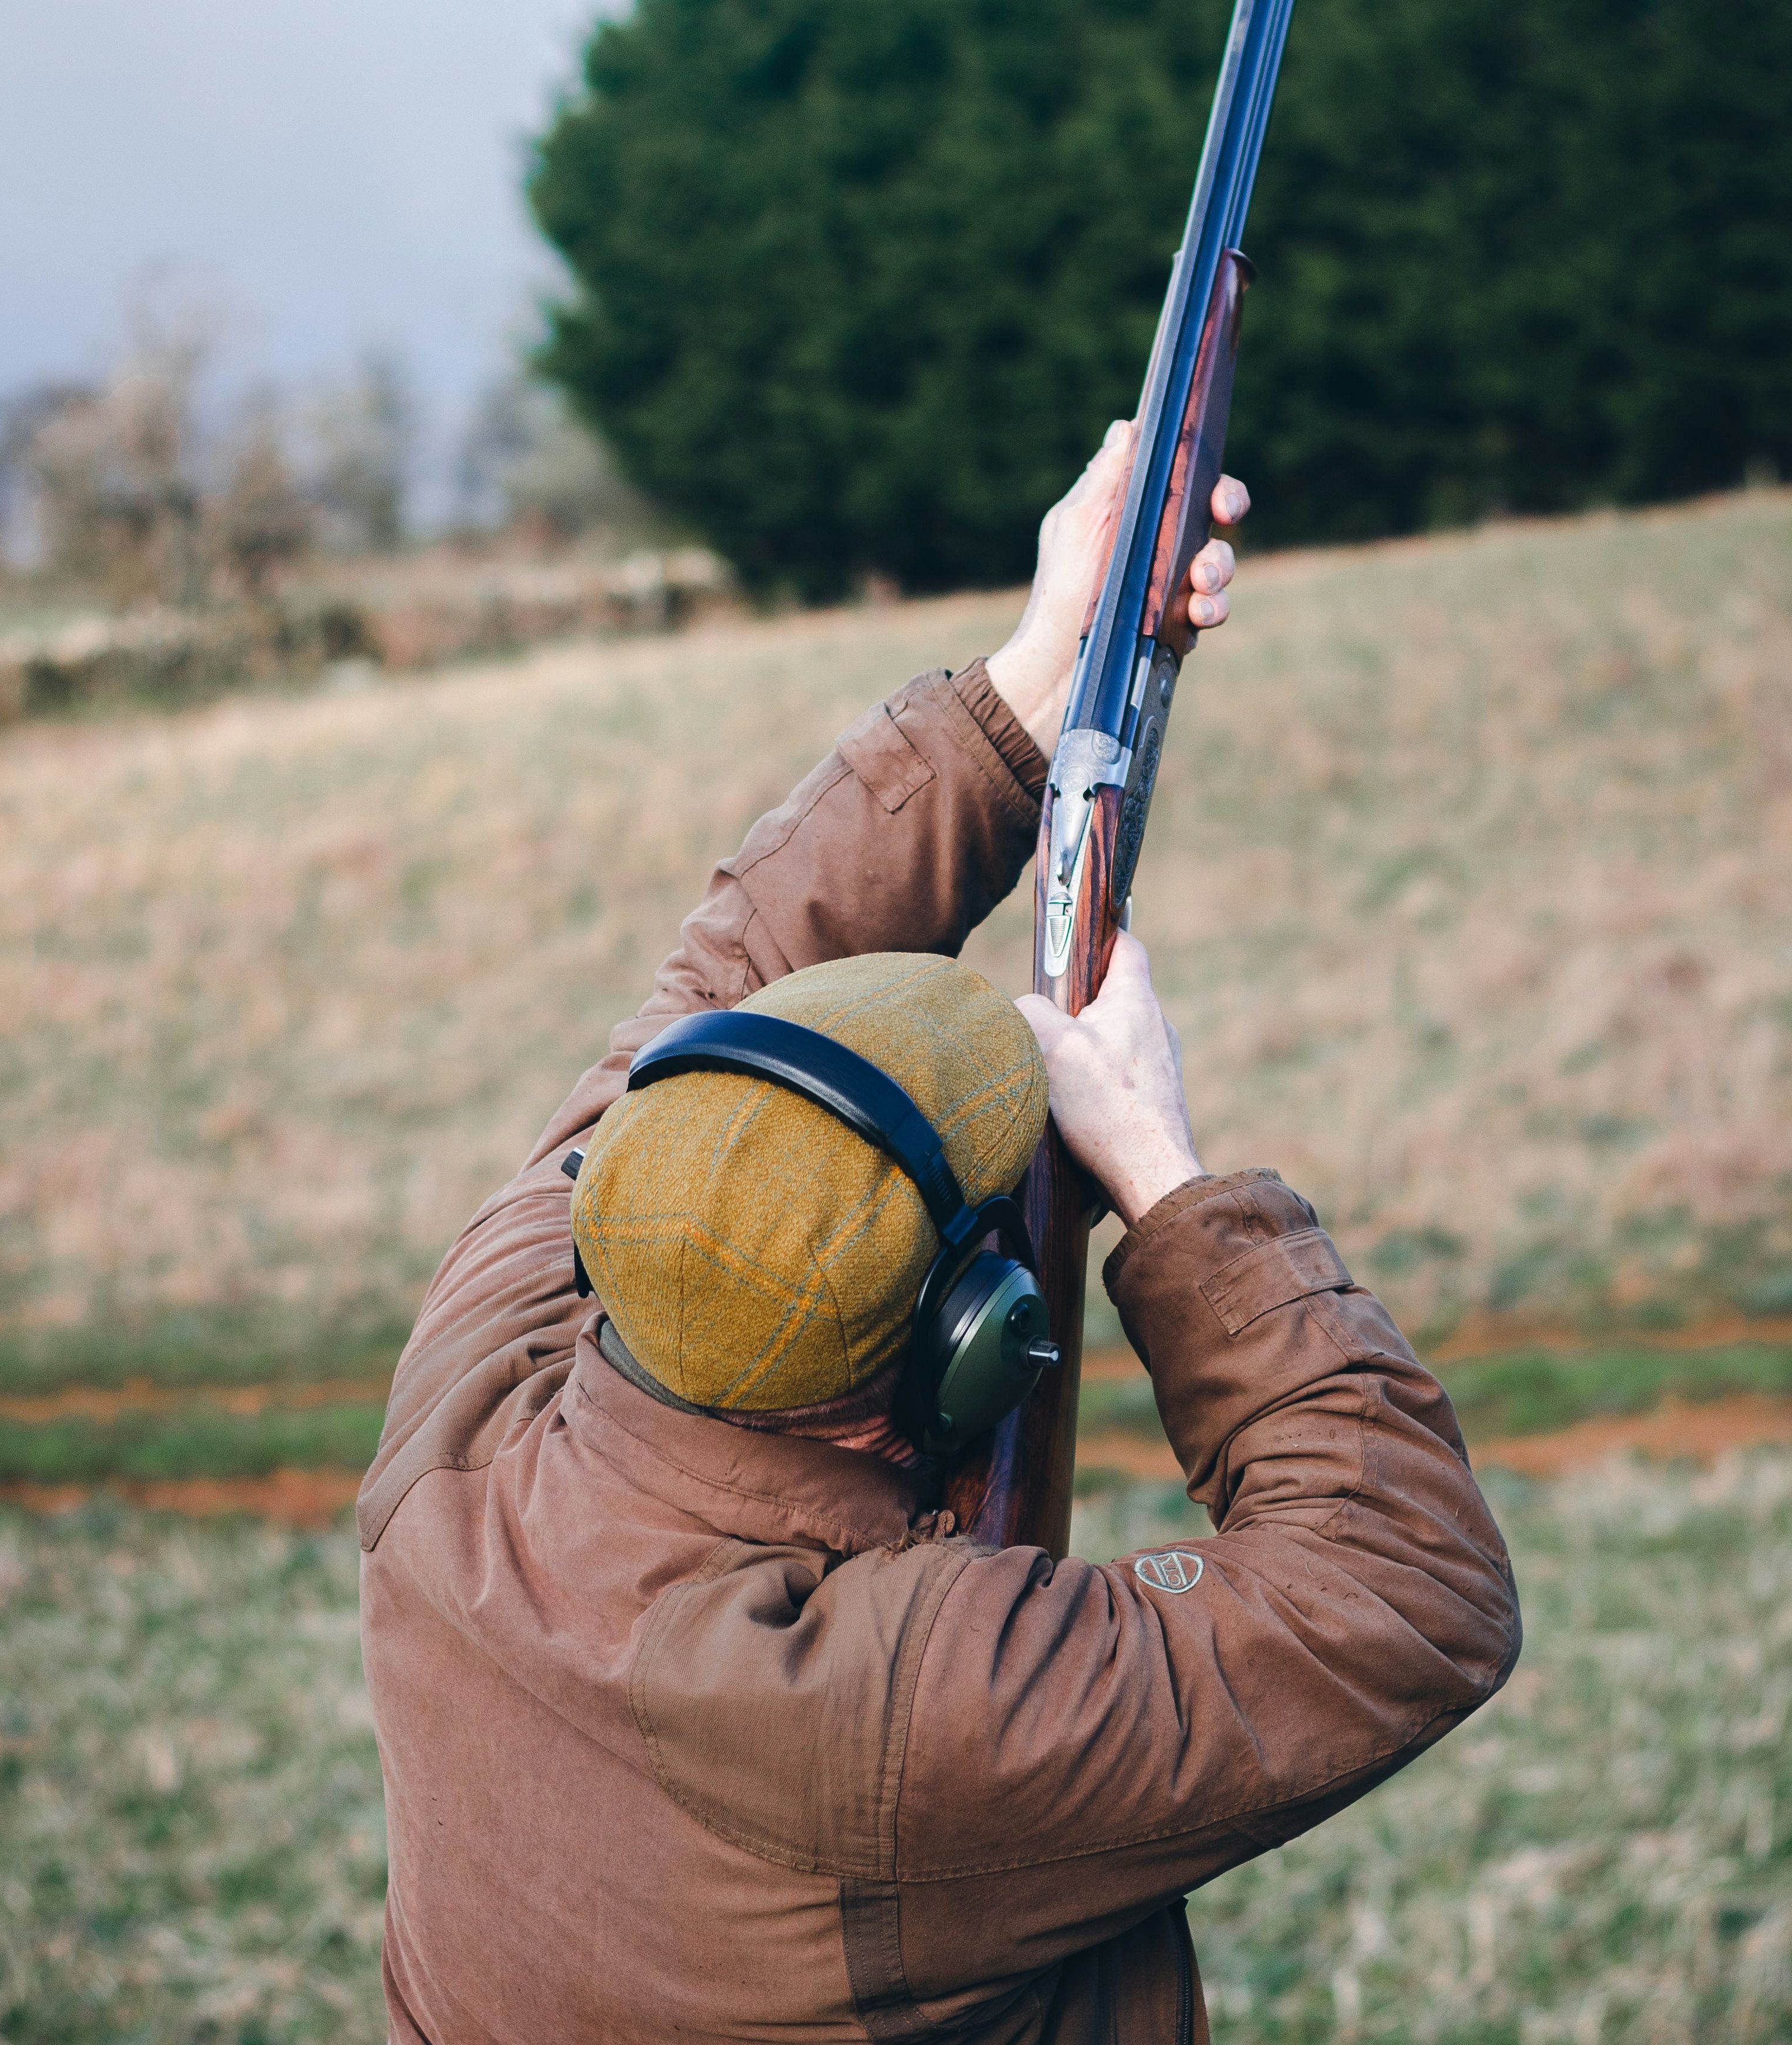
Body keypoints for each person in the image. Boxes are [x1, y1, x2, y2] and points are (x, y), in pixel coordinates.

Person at [359, 423, 1522, 2043]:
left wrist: (1030, 688)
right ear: (974, 1339)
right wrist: (1167, 1183)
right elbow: (1411, 1587)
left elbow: (710, 999)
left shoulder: (475, 1394)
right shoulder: (900, 1714)